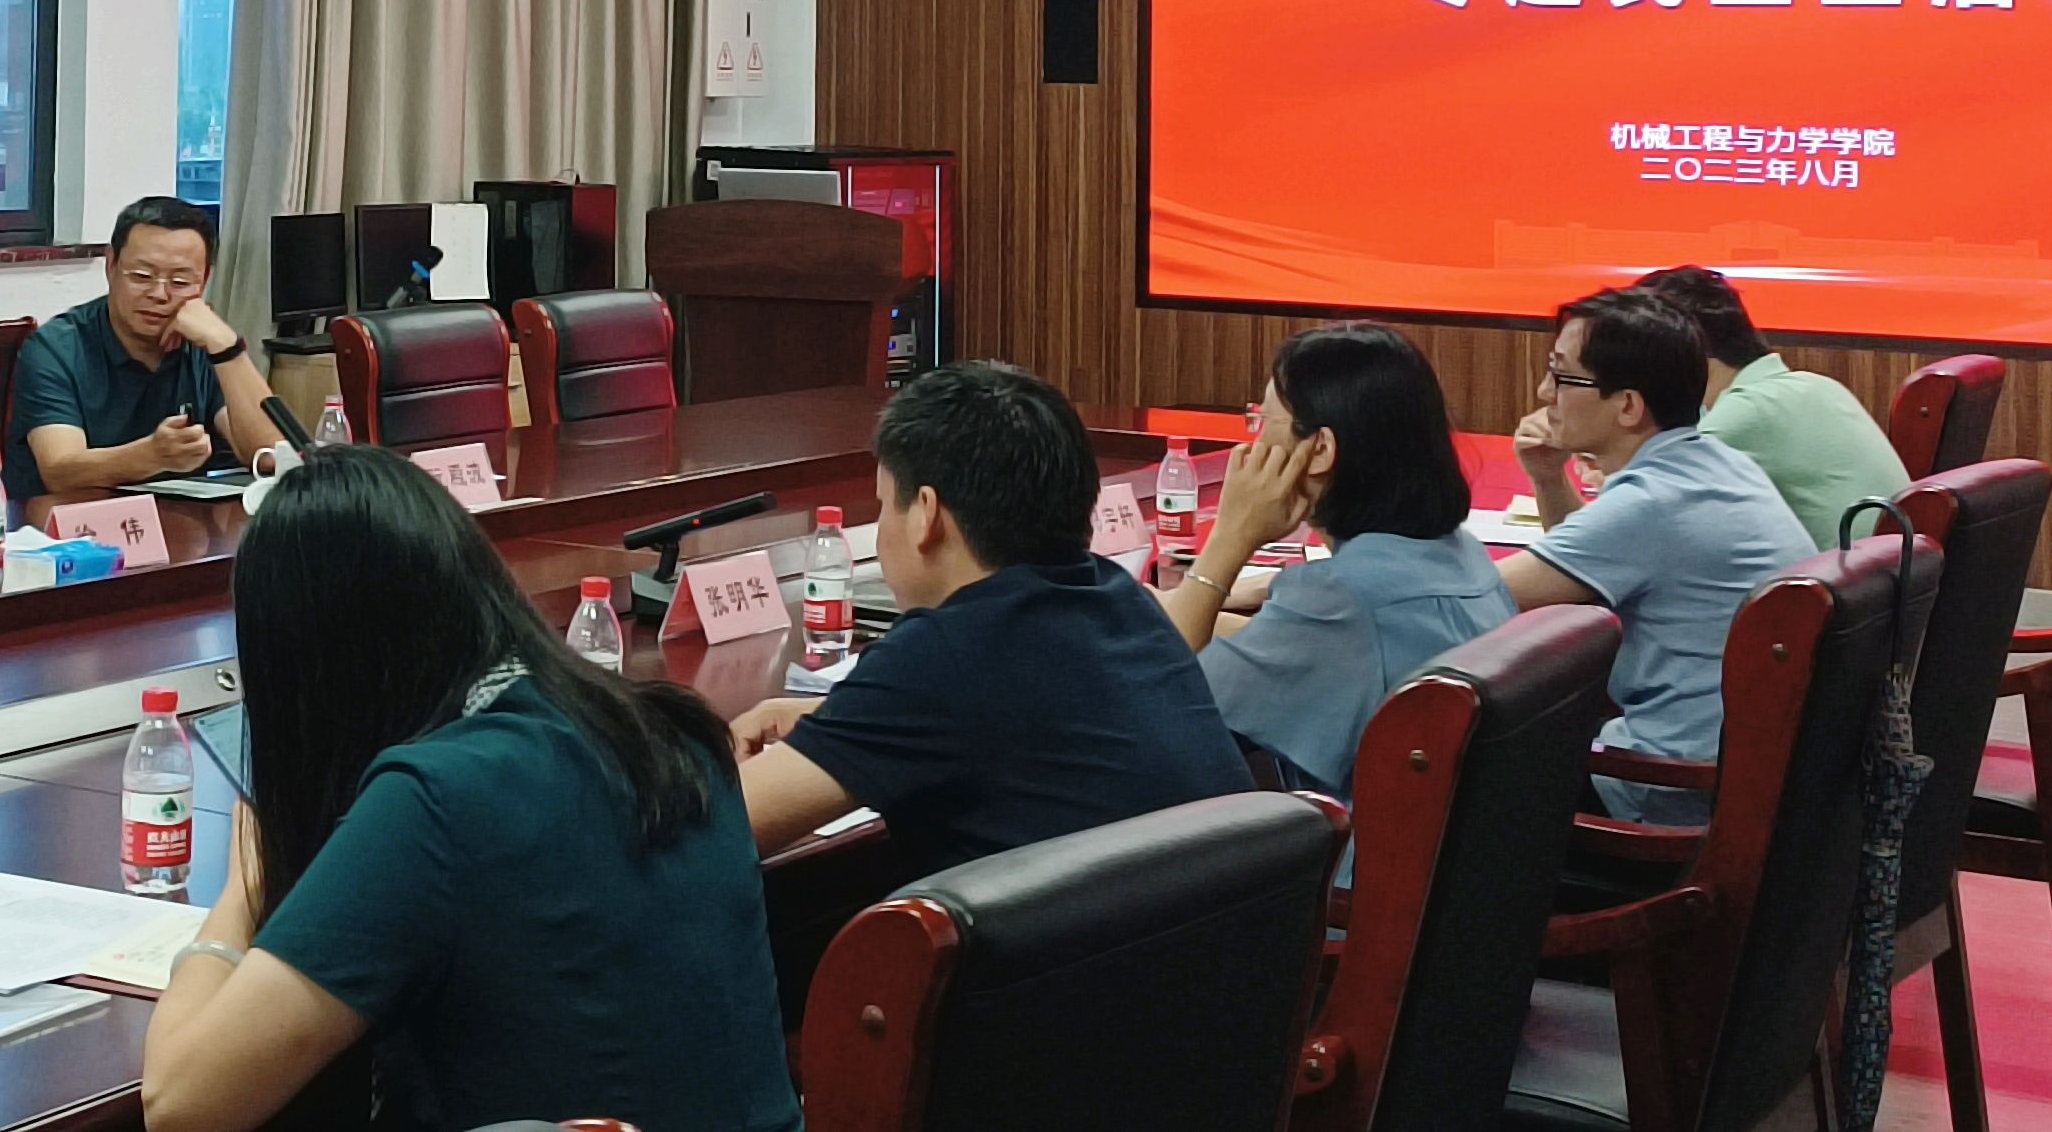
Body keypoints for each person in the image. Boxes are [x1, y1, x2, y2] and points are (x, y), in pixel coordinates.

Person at [136, 446, 799, 1132]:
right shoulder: (667, 728)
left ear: (310, 666)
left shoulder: (434, 798)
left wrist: (245, 887)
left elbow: (182, 1104)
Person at [733, 361, 1251, 871]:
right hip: (1205, 922)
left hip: (1077, 930)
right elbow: (1019, 713)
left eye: (885, 504)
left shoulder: (941, 654)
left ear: (926, 515)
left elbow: (722, 832)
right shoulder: (1122, 599)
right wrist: (843, 720)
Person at [1498, 288, 1817, 823]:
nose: (1543, 392)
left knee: (1452, 766)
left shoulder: (1652, 503)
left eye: (1563, 377)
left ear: (1628, 406)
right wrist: (1549, 477)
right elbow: (1581, 573)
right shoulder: (1716, 464)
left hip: (1668, 786)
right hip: (1755, 774)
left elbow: (1477, 599)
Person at [1157, 325, 1515, 799]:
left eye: (1264, 422)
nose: (1253, 444)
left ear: (1320, 450)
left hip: (1352, 845)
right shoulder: (1461, 553)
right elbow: (1299, 645)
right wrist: (1173, 608)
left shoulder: (1340, 599)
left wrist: (1229, 538)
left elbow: (1162, 697)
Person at [0, 197, 290, 505]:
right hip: (71, 527)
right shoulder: (57, 348)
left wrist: (226, 347)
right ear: (111, 266)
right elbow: (60, 472)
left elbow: (271, 456)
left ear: (204, 280)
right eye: (141, 276)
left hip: (183, 524)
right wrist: (152, 455)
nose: (159, 294)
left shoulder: (204, 342)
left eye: (180, 281)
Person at [1637, 265, 1914, 547]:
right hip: (1888, 569)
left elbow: (1640, 510)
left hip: (1843, 572)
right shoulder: (1814, 385)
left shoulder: (1747, 412)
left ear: (1687, 351)